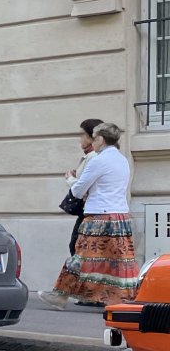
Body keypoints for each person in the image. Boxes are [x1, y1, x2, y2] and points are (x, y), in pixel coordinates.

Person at [40, 122, 136, 309]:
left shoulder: (98, 161)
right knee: (118, 261)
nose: (93, 141)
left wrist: (70, 179)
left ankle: (60, 296)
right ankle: (122, 300)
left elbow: (77, 191)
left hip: (98, 217)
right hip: (120, 217)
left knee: (80, 257)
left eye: (94, 137)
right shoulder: (122, 160)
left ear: (100, 139)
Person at [63, 117, 104, 255]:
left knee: (77, 247)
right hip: (91, 210)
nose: (79, 139)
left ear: (91, 137)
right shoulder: (92, 156)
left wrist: (70, 179)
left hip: (89, 210)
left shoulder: (93, 157)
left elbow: (82, 189)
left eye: (82, 135)